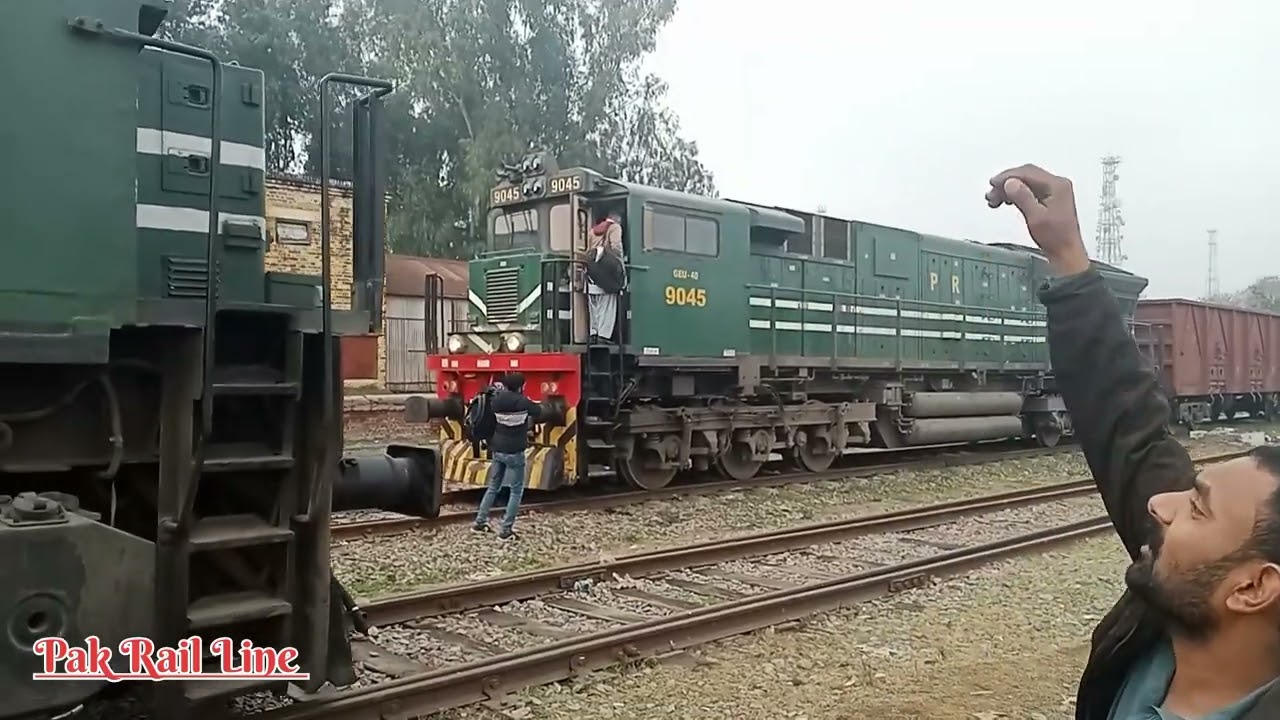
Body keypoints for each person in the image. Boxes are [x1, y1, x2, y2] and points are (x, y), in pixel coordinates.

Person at [987, 164, 1280, 719]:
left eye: (1196, 508)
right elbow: (1129, 428)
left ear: (1251, 590)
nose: (1158, 503)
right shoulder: (1171, 616)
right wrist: (1069, 259)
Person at [471, 372, 543, 540]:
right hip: (515, 452)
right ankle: (505, 531)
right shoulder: (522, 401)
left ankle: (479, 523)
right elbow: (538, 410)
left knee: (493, 486)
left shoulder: (496, 400)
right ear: (520, 386)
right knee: (516, 490)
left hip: (497, 450)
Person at [584, 211, 625, 343]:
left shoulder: (592, 231)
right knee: (608, 306)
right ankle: (603, 335)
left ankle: (593, 334)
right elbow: (616, 247)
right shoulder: (615, 228)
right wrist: (620, 266)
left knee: (593, 305)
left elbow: (588, 250)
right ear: (616, 219)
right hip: (606, 273)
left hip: (592, 273)